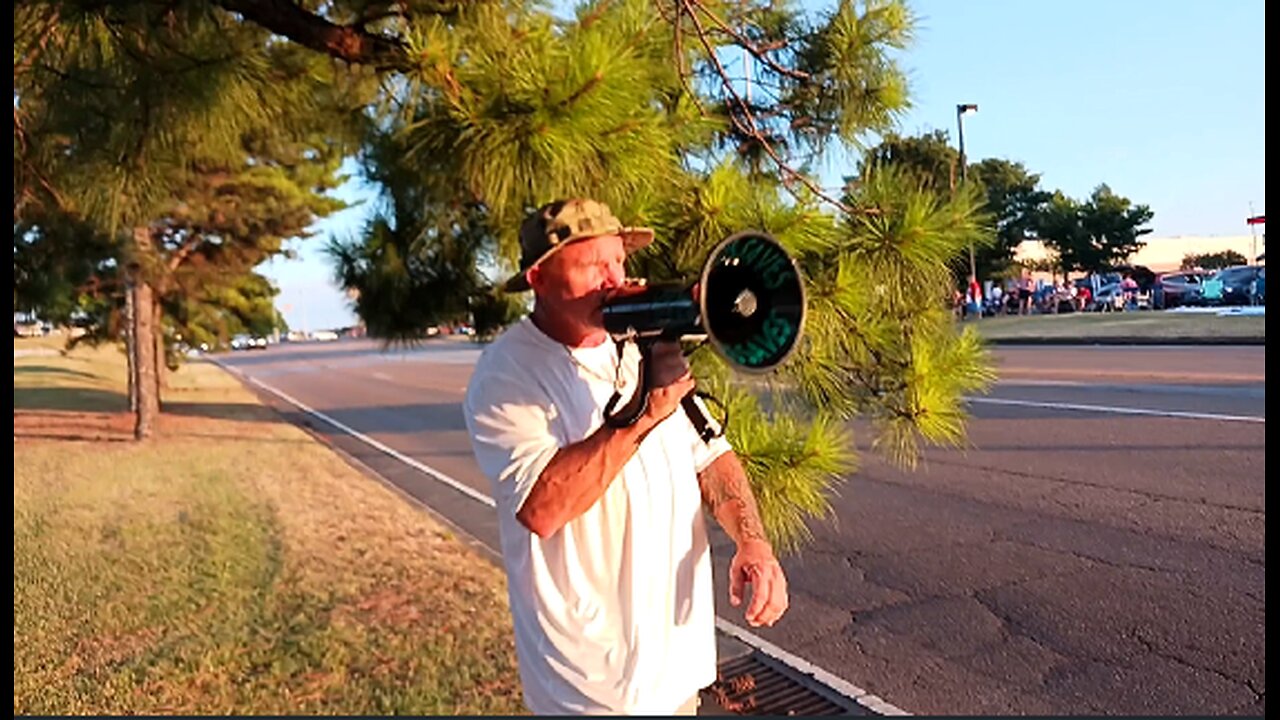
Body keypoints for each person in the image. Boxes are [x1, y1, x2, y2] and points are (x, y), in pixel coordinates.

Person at [463, 198, 789, 716]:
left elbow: (710, 454)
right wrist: (646, 414)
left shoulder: (635, 345)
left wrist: (754, 541)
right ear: (539, 278)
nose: (615, 279)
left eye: (619, 261)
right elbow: (543, 508)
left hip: (677, 668)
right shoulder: (508, 374)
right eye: (595, 265)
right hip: (591, 686)